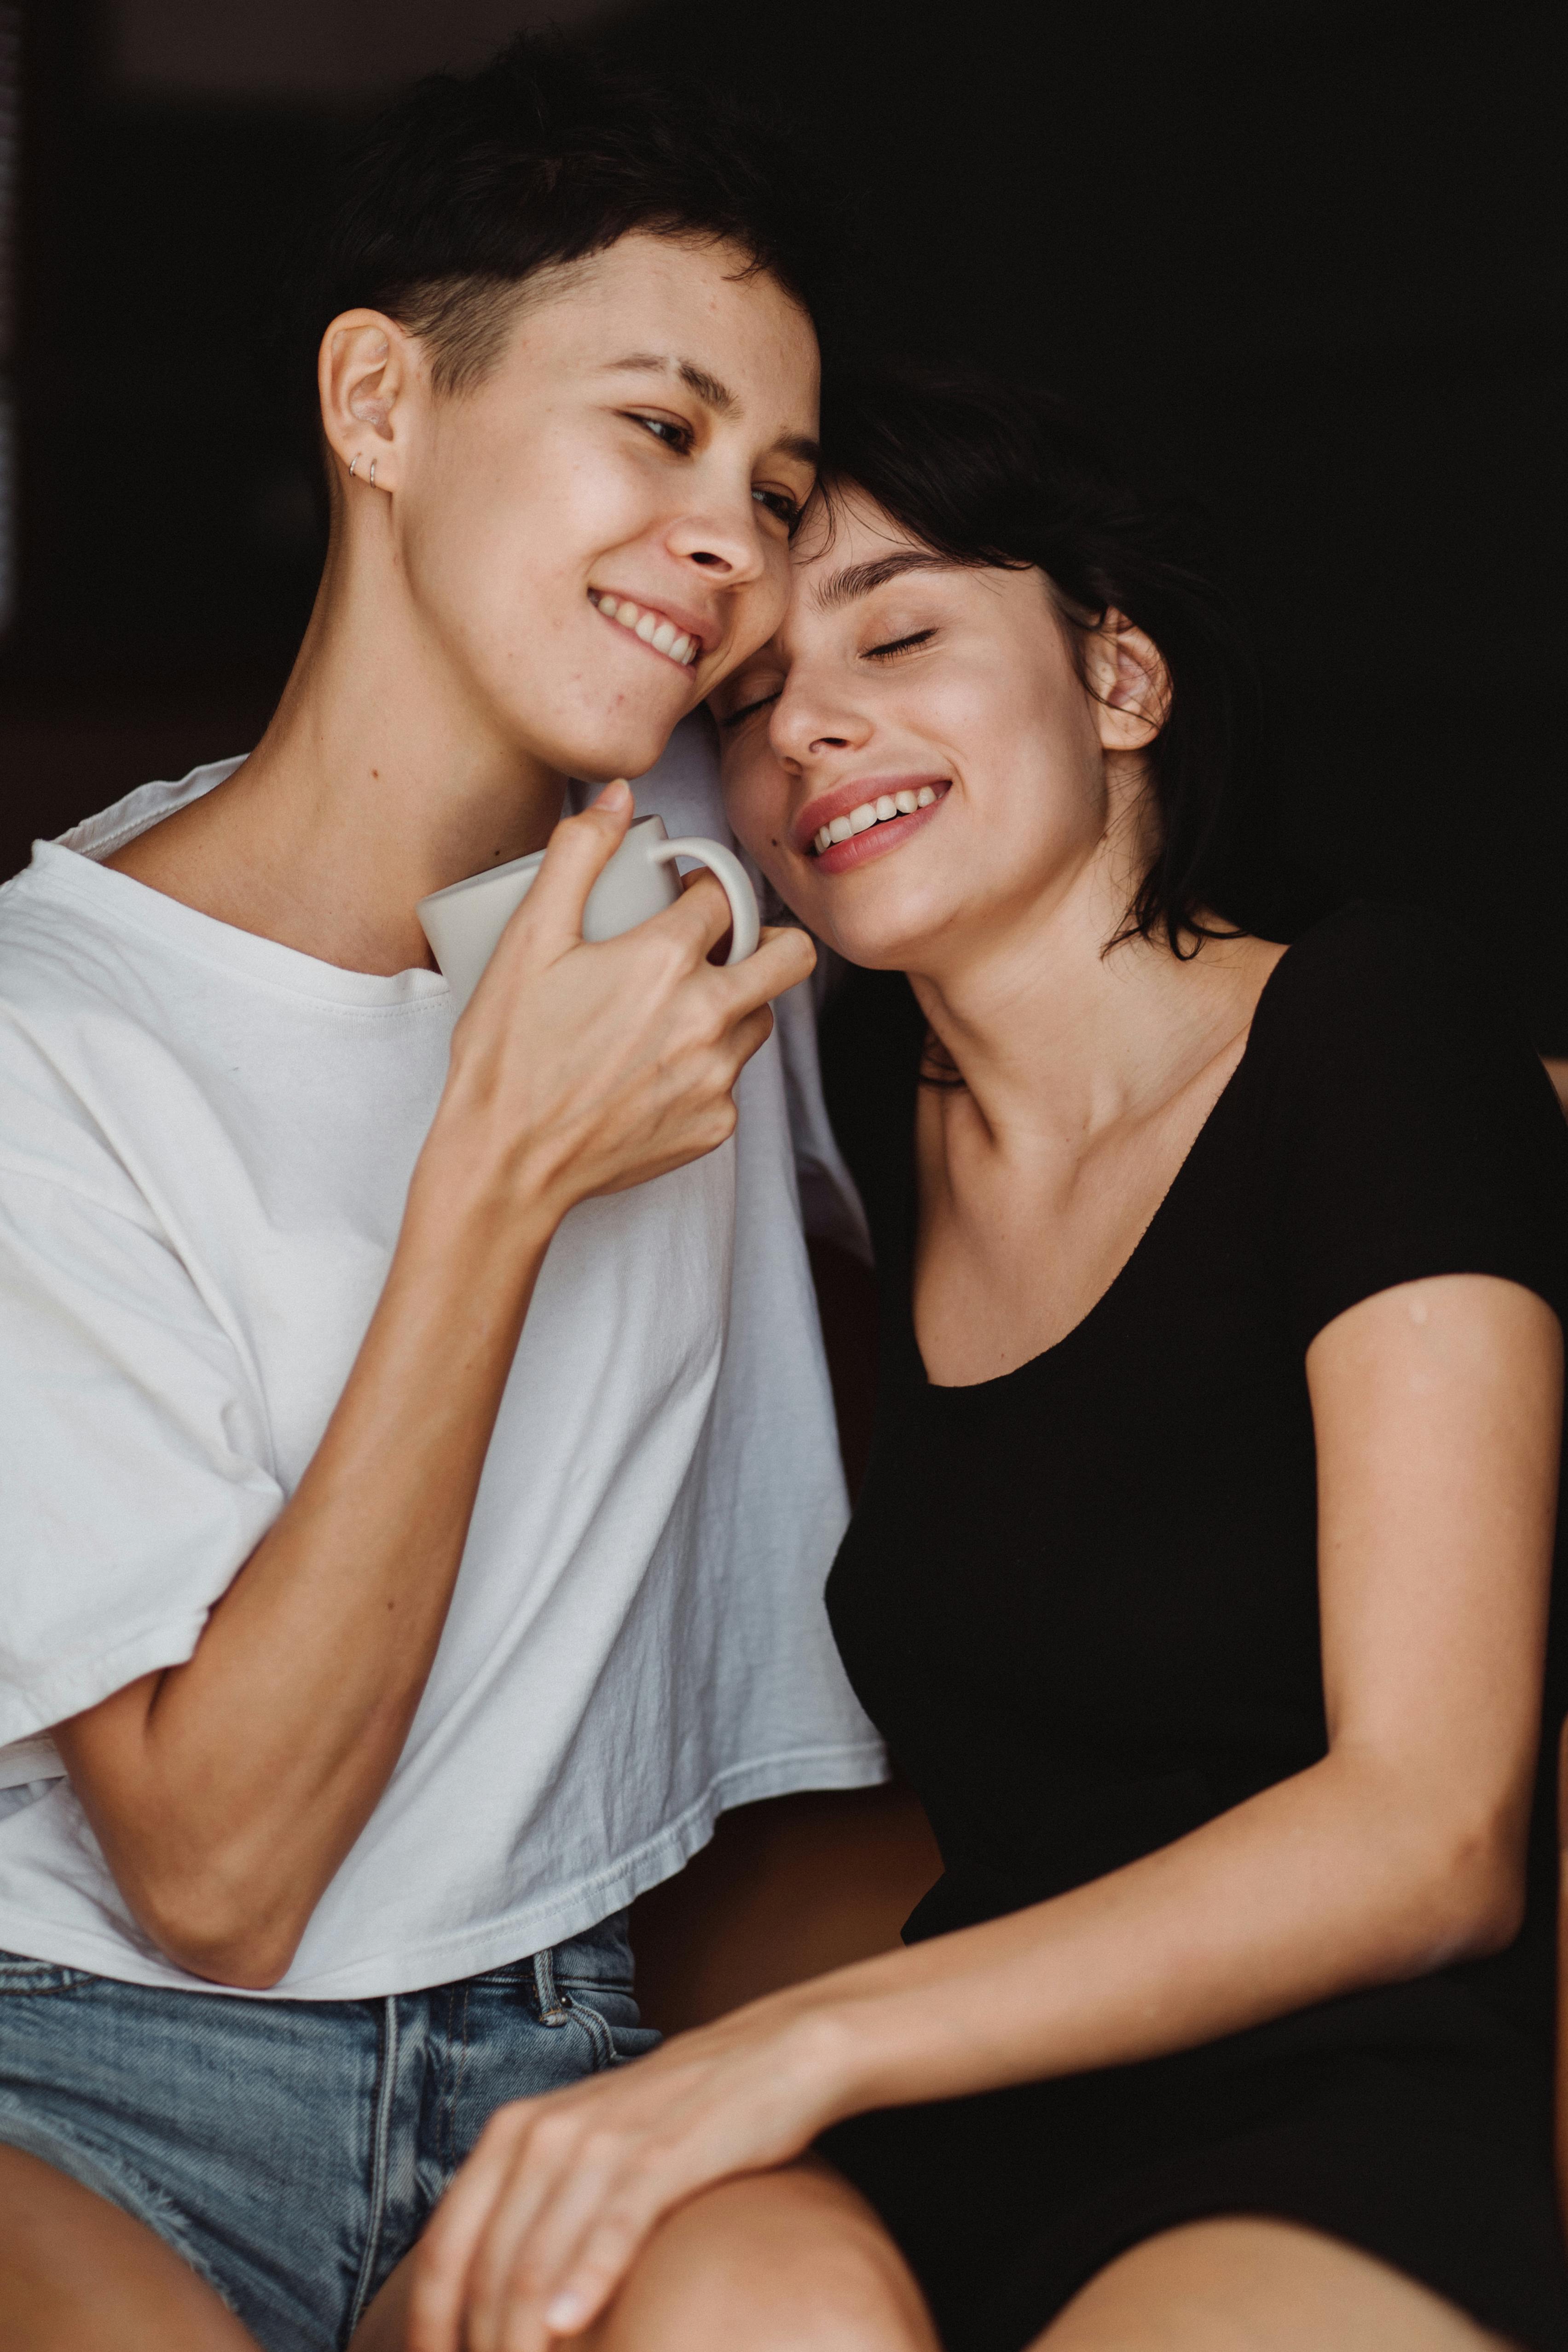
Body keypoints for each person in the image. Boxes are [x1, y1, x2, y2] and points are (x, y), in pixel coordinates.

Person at [407, 371, 1568, 2352]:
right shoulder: (838, 1101)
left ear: (1120, 679)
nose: (812, 730)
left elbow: (1430, 1831)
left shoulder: (1374, 1037)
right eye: (751, 702)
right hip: (945, 2118)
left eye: (905, 630)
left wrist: (785, 2055)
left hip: (1311, 2120)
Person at [0, 40, 890, 2352]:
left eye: (779, 486)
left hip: (560, 2056)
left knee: (804, 2314)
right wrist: (494, 1185)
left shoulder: (729, 912)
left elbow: (1157, 1068)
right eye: (659, 426)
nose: (731, 534)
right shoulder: (48, 1031)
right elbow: (214, 1874)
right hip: (77, 2072)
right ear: (379, 405)